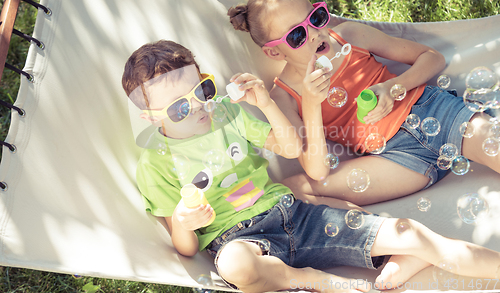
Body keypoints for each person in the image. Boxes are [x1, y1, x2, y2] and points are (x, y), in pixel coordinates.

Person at [122, 40, 500, 293]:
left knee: (412, 234)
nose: (200, 106)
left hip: (292, 213)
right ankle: (306, 277)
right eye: (179, 108)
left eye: (202, 91)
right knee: (234, 265)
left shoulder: (230, 115)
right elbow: (185, 248)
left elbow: (289, 147)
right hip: (239, 241)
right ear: (151, 117)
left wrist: (267, 104)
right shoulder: (156, 164)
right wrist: (185, 219)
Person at [227, 0, 500, 206]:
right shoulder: (283, 96)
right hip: (394, 159)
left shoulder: (350, 36)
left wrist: (394, 88)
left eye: (316, 18)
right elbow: (318, 171)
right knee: (295, 188)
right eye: (297, 35)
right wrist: (311, 102)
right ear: (274, 54)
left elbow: (432, 57)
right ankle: (389, 248)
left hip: (433, 112)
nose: (314, 33)